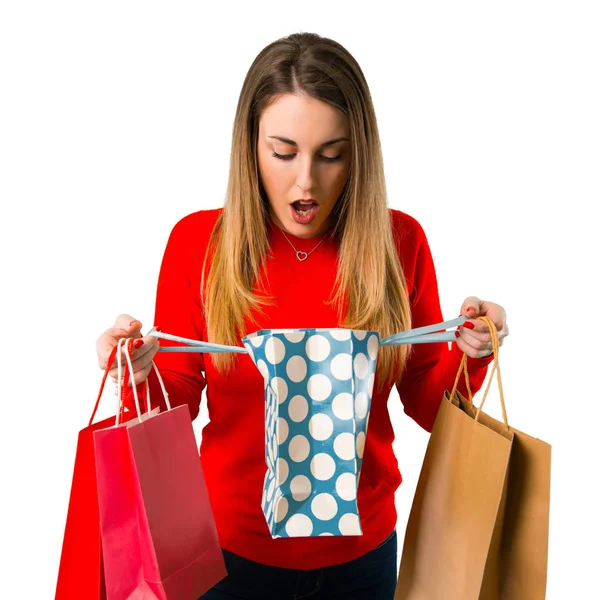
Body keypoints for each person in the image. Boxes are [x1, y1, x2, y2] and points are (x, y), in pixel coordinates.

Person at [96, 32, 509, 600]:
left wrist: (473, 352)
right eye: (283, 152)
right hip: (224, 555)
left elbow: (424, 401)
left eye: (331, 153)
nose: (306, 181)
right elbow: (180, 398)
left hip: (361, 558)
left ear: (358, 151)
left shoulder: (399, 241)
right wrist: (134, 373)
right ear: (251, 146)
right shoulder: (199, 244)